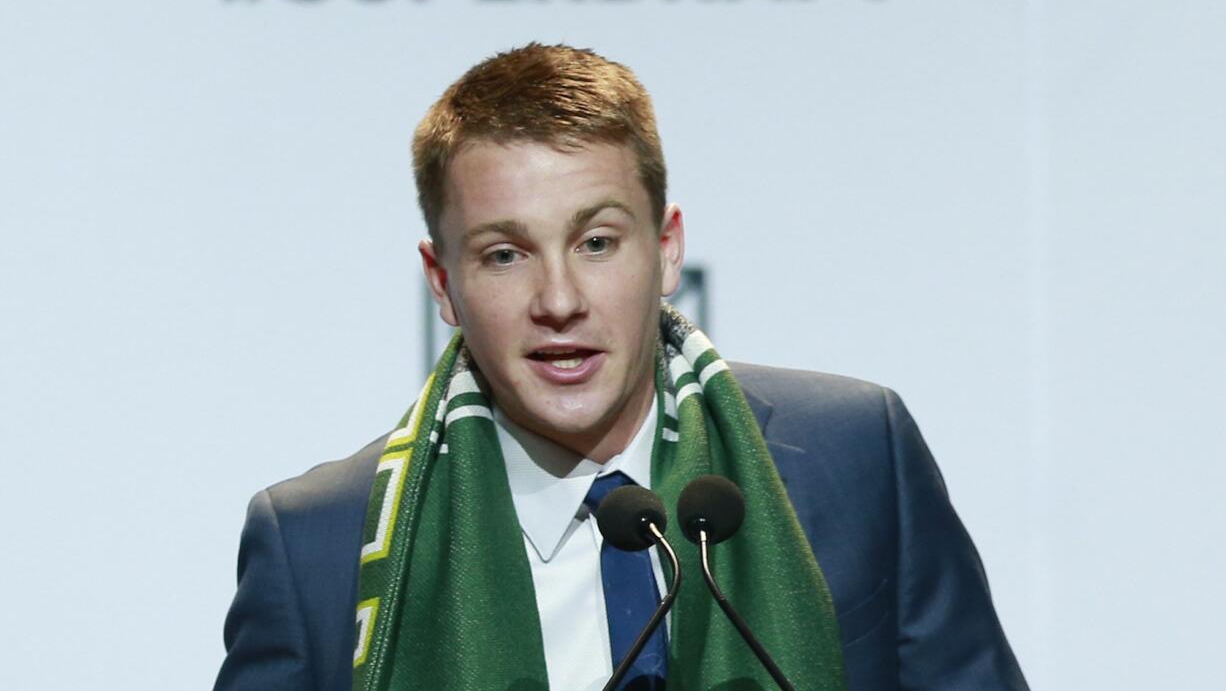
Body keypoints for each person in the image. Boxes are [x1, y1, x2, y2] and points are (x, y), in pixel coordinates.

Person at [213, 43, 1028, 691]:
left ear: (666, 248)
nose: (559, 298)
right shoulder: (318, 545)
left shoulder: (853, 457)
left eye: (597, 241)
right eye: (505, 254)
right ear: (444, 283)